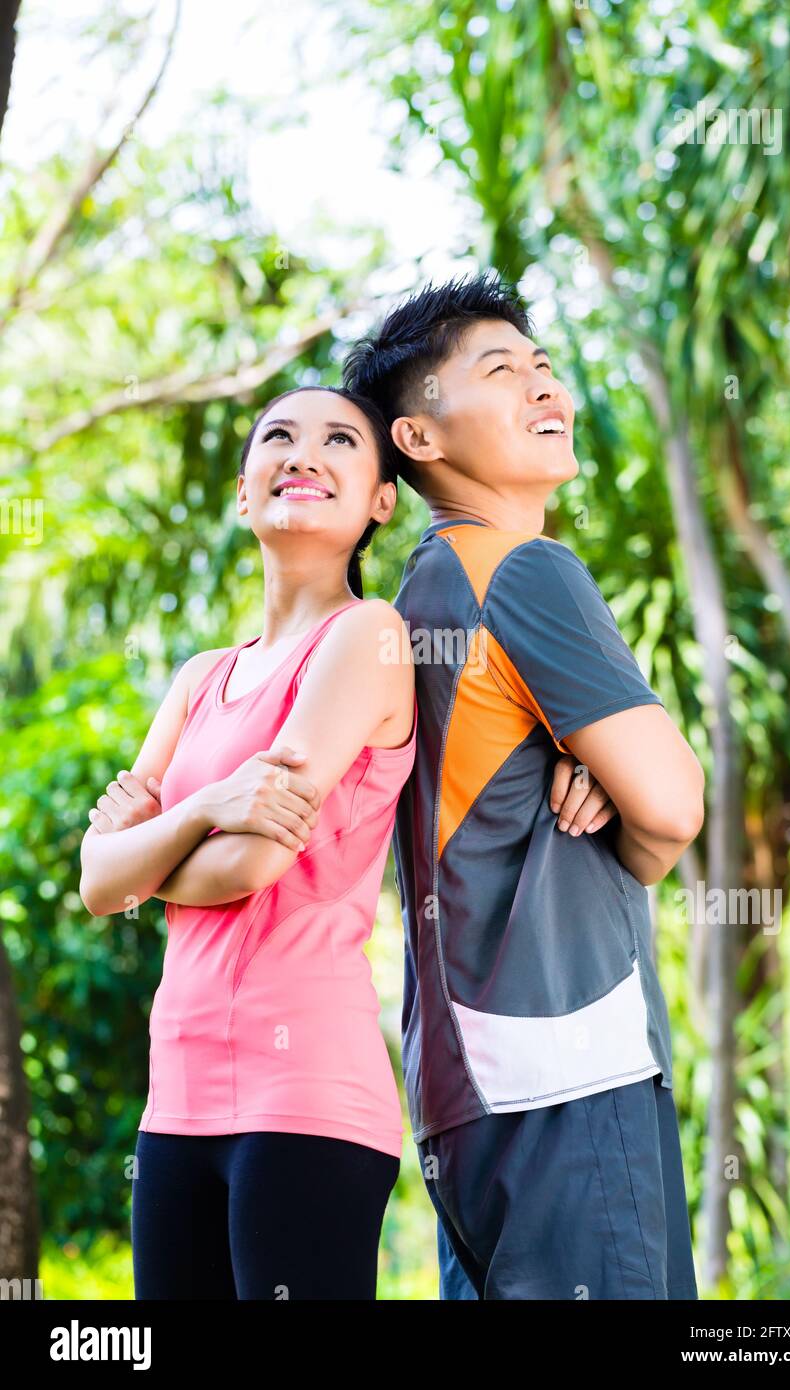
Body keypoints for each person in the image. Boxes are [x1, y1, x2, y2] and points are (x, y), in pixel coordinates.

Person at [342, 270, 706, 1300]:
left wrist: (601, 777)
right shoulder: (524, 570)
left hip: (463, 1092)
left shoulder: (417, 590)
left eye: (542, 365)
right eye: (500, 370)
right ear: (418, 438)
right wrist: (631, 819)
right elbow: (673, 804)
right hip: (573, 1066)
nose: (545, 386)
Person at [79, 385, 416, 1301]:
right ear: (242, 492)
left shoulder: (369, 636)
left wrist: (150, 845)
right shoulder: (201, 678)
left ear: (380, 499)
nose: (305, 455)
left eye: (340, 440)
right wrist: (204, 810)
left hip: (306, 1096)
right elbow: (98, 883)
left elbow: (255, 863)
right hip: (176, 1096)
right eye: (280, 436)